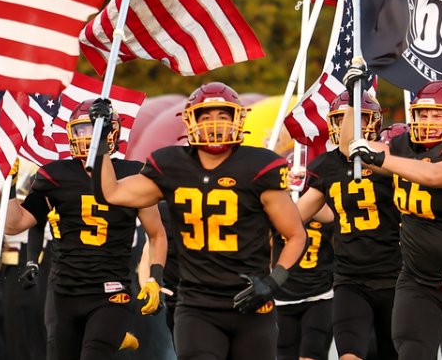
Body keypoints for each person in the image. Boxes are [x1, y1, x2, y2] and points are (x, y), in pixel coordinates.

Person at [97, 82, 306, 359]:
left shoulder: (259, 166)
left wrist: (273, 282)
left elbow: (295, 235)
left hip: (252, 304)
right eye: (205, 117)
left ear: (237, 119)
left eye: (222, 116)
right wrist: (100, 143)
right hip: (197, 305)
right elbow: (112, 192)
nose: (213, 124)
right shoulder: (172, 164)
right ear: (190, 121)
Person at [2, 100, 168, 359]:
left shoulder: (132, 174)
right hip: (65, 293)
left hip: (111, 292)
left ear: (111, 133)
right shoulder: (56, 175)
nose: (88, 137)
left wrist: (155, 278)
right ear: (70, 134)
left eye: (95, 129)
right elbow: (15, 224)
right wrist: (8, 186)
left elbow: (156, 233)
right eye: (81, 130)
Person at [345, 80, 442, 359]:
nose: (428, 121)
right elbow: (349, 148)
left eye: (438, 114)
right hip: (418, 282)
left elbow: (435, 175)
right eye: (423, 114)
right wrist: (355, 98)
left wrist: (379, 158)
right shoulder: (404, 145)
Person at [294, 92, 401, 360]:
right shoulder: (326, 165)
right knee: (349, 356)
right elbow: (297, 216)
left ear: (374, 123)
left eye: (358, 119)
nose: (349, 127)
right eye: (342, 120)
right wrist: (279, 192)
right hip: (350, 277)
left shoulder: (390, 158)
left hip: (397, 276)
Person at [274, 215, 337, 360]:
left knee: (312, 353)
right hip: (284, 297)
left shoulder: (323, 205)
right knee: (285, 355)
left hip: (319, 295)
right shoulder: (279, 201)